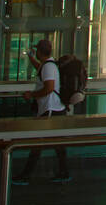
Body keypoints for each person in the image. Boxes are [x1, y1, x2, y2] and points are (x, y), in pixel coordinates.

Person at [13, 39, 70, 184]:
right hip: (55, 109)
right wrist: (31, 58)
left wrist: (31, 95)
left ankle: (26, 175)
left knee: (38, 142)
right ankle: (63, 173)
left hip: (50, 109)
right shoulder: (47, 65)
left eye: (36, 51)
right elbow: (41, 70)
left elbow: (49, 88)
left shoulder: (48, 67)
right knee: (57, 144)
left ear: (40, 51)